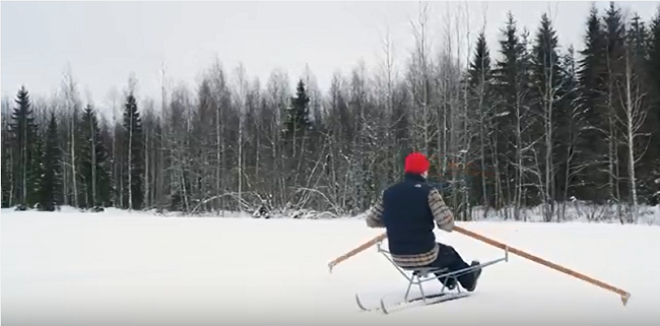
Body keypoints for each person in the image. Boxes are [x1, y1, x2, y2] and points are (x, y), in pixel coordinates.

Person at [365, 152, 482, 292]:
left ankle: (449, 281)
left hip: (398, 256)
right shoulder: (429, 192)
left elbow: (371, 220)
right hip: (425, 254)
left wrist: (396, 221)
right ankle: (469, 280)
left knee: (440, 253)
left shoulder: (388, 192)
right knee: (449, 253)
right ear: (424, 172)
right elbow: (446, 223)